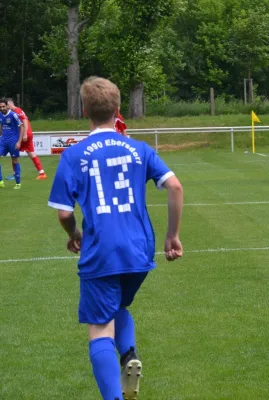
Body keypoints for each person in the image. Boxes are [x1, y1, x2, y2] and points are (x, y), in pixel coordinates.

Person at [47, 76, 184, 399]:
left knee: (99, 328)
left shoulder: (74, 155)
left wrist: (74, 234)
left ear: (84, 110)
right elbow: (175, 186)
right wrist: (172, 236)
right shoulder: (139, 148)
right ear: (118, 109)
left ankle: (114, 395)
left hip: (101, 252)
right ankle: (129, 354)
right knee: (118, 304)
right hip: (139, 250)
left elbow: (64, 213)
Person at [6, 98, 47, 180]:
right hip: (28, 133)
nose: (5, 108)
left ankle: (15, 174)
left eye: (6, 106)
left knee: (14, 153)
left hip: (24, 134)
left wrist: (24, 134)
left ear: (10, 104)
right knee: (31, 153)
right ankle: (42, 173)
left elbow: (24, 120)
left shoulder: (16, 111)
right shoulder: (17, 111)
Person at [0, 97, 24, 189]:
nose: (2, 108)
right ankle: (0, 181)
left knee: (14, 161)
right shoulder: (0, 115)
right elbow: (1, 126)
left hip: (13, 142)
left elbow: (21, 127)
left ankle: (18, 183)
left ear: (7, 106)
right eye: (0, 107)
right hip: (3, 141)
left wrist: (19, 141)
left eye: (3, 106)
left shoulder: (13, 115)